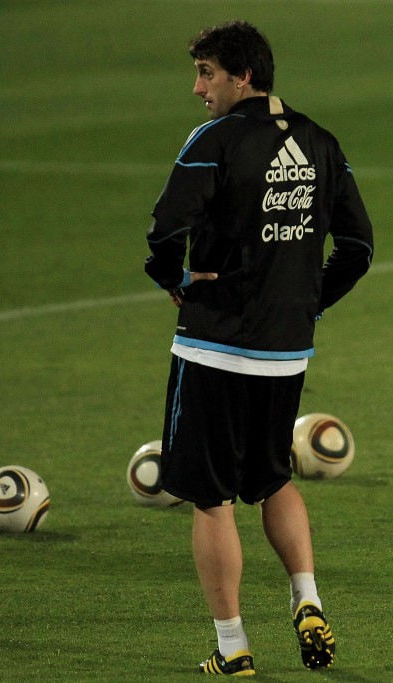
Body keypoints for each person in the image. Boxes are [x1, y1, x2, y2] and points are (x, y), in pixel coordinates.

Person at [145, 20, 373, 675]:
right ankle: (306, 596)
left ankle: (232, 646)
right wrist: (306, 301)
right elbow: (358, 248)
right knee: (273, 476)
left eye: (207, 73)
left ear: (242, 75)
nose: (198, 88)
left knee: (211, 498)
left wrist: (175, 280)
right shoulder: (319, 141)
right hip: (286, 349)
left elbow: (165, 229)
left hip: (215, 346)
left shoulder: (214, 141)